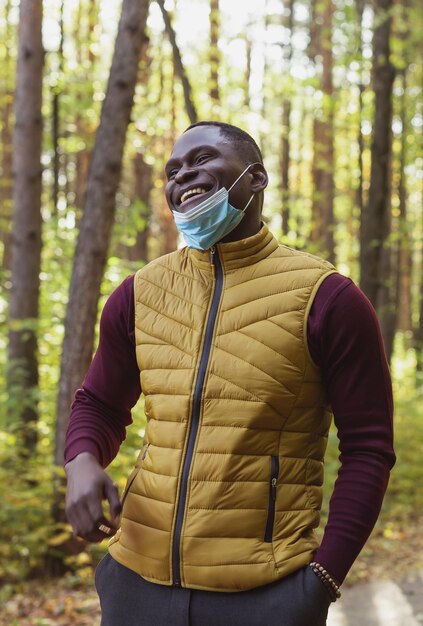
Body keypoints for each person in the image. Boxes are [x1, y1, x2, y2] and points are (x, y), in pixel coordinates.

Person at [64, 121, 395, 626]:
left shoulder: (327, 298)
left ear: (255, 178)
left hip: (267, 591)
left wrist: (323, 578)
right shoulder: (138, 294)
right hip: (135, 581)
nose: (183, 175)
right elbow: (99, 404)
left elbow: (369, 447)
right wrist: (81, 461)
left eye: (201, 160)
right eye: (173, 171)